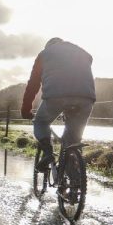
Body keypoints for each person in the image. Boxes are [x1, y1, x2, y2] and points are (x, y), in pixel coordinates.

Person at [21, 37, 96, 169]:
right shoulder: (82, 51)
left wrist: (26, 109)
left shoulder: (44, 54)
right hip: (86, 98)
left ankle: (48, 153)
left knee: (40, 122)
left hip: (56, 97)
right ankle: (73, 178)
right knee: (73, 140)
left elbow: (33, 84)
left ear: (48, 47)